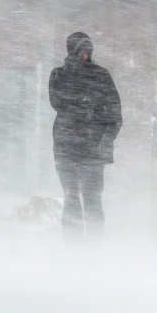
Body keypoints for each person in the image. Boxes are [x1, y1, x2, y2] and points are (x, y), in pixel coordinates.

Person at [49, 32, 122, 242]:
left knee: (92, 199)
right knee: (71, 197)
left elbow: (115, 112)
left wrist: (107, 138)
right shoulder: (59, 74)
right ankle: (74, 246)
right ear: (71, 50)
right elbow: (57, 103)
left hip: (92, 147)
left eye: (88, 50)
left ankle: (94, 245)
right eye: (81, 50)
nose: (85, 54)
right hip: (66, 146)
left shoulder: (101, 75)